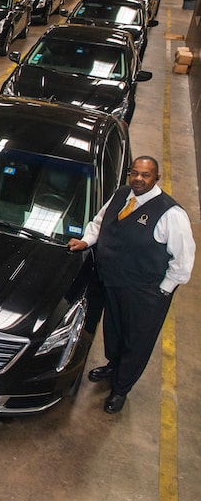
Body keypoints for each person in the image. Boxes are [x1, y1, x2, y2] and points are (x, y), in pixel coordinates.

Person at [68, 156, 195, 414]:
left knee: (136, 341)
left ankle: (121, 389)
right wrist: (86, 240)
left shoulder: (171, 214)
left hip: (145, 293)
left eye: (145, 175)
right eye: (134, 173)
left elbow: (183, 260)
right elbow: (101, 222)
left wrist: (163, 289)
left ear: (156, 178)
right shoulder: (122, 194)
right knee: (114, 330)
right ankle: (113, 366)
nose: (138, 179)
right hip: (113, 283)